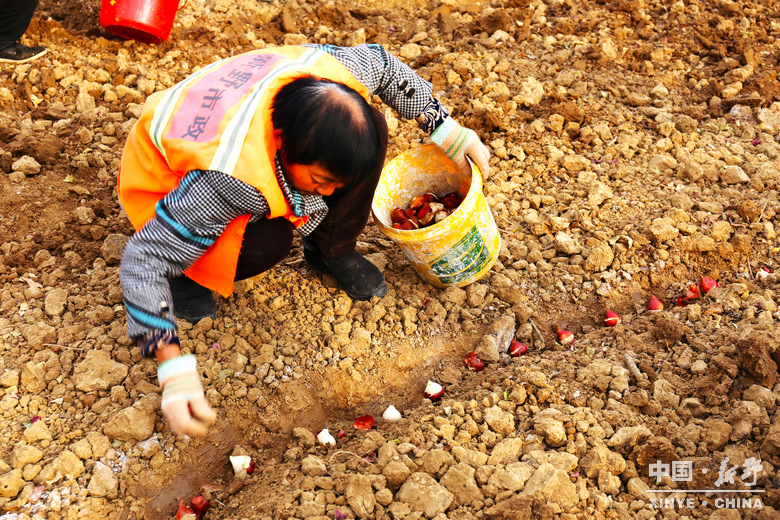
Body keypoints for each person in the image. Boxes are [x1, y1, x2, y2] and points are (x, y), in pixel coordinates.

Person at [118, 44, 491, 437]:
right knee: (269, 241)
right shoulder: (228, 179)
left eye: (334, 186)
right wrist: (171, 368)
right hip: (169, 181)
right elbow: (143, 260)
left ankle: (331, 249)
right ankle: (188, 275)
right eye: (319, 182)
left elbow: (383, 63)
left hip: (235, 111)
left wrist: (446, 130)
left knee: (373, 129)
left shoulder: (335, 77)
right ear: (281, 142)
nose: (330, 194)